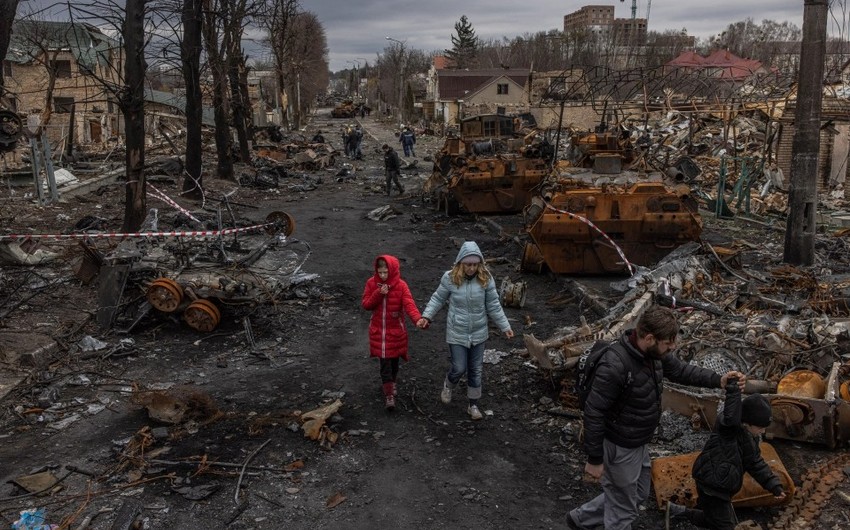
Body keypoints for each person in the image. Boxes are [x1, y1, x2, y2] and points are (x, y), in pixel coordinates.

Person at [566, 305, 746, 530]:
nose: (673, 347)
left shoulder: (653, 355)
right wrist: (594, 459)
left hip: (638, 442)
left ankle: (580, 520)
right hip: (619, 446)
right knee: (623, 512)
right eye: (668, 343)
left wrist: (718, 380)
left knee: (639, 494)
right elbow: (594, 412)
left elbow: (681, 371)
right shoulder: (615, 365)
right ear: (649, 338)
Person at [416, 241, 514, 420]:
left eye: (475, 264)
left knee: (475, 369)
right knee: (459, 367)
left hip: (479, 332)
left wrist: (505, 326)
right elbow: (438, 298)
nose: (471, 268)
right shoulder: (450, 278)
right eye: (468, 264)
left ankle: (473, 405)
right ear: (461, 262)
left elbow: (493, 305)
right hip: (457, 331)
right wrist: (426, 316)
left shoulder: (486, 279)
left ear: (480, 264)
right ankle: (449, 383)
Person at [666, 386, 786, 529]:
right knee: (726, 526)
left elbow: (755, 463)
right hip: (712, 486)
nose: (763, 431)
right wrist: (734, 390)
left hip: (721, 486)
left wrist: (773, 485)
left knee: (712, 520)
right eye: (760, 427)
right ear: (747, 422)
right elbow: (731, 415)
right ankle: (679, 512)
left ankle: (677, 511)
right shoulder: (728, 430)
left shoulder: (750, 438)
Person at [361, 255, 422, 411]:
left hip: (395, 332)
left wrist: (418, 320)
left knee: (394, 362)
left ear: (393, 271)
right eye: (380, 272)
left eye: (385, 273)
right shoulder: (371, 283)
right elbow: (366, 304)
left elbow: (409, 305)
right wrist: (379, 293)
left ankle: (392, 383)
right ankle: (389, 394)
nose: (382, 276)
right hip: (379, 333)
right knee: (385, 363)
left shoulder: (401, 286)